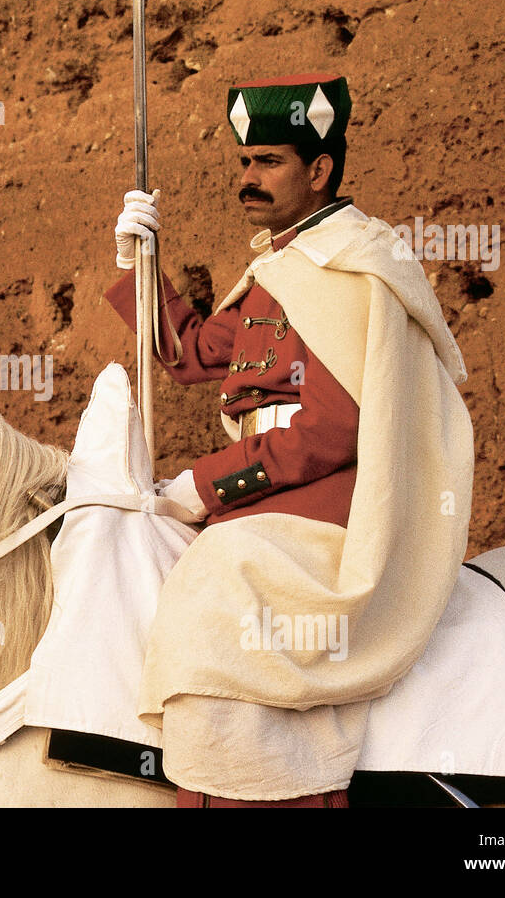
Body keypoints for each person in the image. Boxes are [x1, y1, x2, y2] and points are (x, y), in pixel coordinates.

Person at [105, 73, 474, 807]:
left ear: (319, 169)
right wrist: (140, 265)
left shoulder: (353, 262)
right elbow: (191, 354)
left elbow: (333, 429)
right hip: (268, 504)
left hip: (324, 510)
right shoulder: (282, 268)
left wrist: (203, 486)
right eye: (245, 163)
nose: (249, 178)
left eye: (268, 162)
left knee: (216, 596)